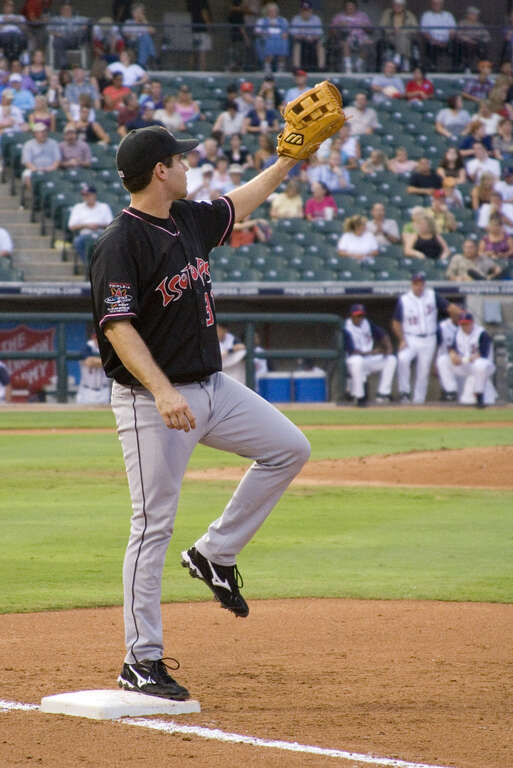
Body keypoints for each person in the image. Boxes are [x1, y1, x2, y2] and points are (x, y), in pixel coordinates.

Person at [89, 125, 310, 701]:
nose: (188, 165)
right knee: (151, 525)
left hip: (212, 388)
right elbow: (117, 327)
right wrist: (162, 391)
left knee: (289, 448)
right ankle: (140, 660)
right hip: (151, 403)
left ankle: (215, 553)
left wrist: (288, 160)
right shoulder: (120, 241)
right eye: (180, 159)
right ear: (159, 171)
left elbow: (240, 201)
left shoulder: (187, 218)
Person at [392, 272, 461, 404]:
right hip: (410, 337)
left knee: (423, 371)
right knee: (403, 359)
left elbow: (449, 307)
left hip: (429, 338)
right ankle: (404, 393)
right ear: (412, 285)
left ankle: (419, 400)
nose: (418, 286)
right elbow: (396, 322)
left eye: (421, 284)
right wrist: (401, 339)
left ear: (424, 284)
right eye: (416, 284)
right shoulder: (404, 299)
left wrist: (461, 312)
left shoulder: (432, 295)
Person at [436, 312, 496, 408]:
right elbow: (452, 348)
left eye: (467, 323)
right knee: (443, 360)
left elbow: (482, 354)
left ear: (472, 323)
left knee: (479, 365)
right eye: (462, 324)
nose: (464, 326)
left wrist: (463, 360)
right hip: (467, 365)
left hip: (485, 366)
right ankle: (451, 391)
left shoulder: (482, 333)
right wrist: (453, 356)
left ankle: (479, 395)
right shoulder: (459, 332)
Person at [344, 303, 397, 406]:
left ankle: (383, 394)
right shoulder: (346, 327)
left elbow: (383, 334)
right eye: (357, 315)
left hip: (368, 360)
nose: (360, 318)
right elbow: (352, 351)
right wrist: (373, 352)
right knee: (357, 361)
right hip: (352, 362)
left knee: (391, 359)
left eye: (361, 315)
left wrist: (388, 347)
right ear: (352, 316)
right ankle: (359, 397)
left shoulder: (366, 323)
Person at [68, 184, 113, 265]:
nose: (86, 197)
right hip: (85, 234)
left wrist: (98, 225)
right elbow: (71, 226)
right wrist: (86, 225)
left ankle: (104, 265)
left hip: (101, 233)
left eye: (88, 195)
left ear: (94, 195)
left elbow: (111, 224)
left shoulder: (104, 206)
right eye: (84, 195)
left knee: (111, 241)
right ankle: (88, 266)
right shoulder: (78, 207)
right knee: (77, 241)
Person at [329, 0, 372, 74]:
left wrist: (364, 26)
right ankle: (348, 67)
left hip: (360, 38)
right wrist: (338, 26)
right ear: (345, 7)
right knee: (345, 43)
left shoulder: (362, 15)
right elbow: (330, 31)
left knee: (368, 43)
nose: (350, 8)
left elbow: (370, 29)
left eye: (352, 6)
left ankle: (358, 65)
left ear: (355, 7)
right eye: (348, 6)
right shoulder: (339, 17)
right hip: (346, 38)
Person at [378, 0, 419, 72]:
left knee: (402, 36)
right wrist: (392, 31)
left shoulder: (410, 15)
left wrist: (403, 31)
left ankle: (398, 56)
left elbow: (415, 28)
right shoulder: (387, 13)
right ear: (393, 5)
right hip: (391, 37)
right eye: (396, 5)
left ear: (403, 6)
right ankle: (405, 60)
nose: (397, 7)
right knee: (402, 38)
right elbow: (382, 26)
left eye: (400, 5)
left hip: (406, 38)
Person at [48, 2, 89, 70]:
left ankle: (82, 66)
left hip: (75, 40)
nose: (67, 11)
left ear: (71, 10)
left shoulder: (77, 18)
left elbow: (90, 21)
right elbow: (48, 30)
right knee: (57, 40)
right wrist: (56, 34)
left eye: (69, 9)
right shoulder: (56, 19)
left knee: (79, 33)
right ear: (61, 10)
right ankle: (64, 65)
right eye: (65, 9)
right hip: (61, 40)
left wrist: (84, 27)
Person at [21, 122, 60, 192]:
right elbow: (27, 162)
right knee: (27, 175)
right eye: (41, 132)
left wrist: (52, 167)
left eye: (45, 131)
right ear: (35, 134)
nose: (44, 134)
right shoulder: (28, 144)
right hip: (34, 169)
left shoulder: (53, 143)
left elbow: (57, 160)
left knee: (59, 175)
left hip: (50, 168)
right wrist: (37, 169)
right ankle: (34, 195)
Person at [76, 331, 112, 405]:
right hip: (87, 391)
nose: (98, 340)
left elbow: (113, 362)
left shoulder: (109, 348)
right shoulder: (87, 348)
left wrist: (97, 362)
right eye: (96, 338)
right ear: (93, 338)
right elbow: (89, 362)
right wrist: (107, 362)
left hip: (104, 391)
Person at [420, 0, 456, 71]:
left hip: (447, 41)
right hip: (432, 41)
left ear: (442, 5)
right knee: (431, 47)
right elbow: (424, 32)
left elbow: (453, 31)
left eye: (438, 4)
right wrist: (435, 41)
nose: (436, 5)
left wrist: (447, 41)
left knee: (457, 46)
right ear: (431, 4)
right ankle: (433, 68)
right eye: (434, 4)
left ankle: (454, 69)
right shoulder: (426, 15)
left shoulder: (448, 15)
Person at [254, 3, 289, 74]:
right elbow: (257, 31)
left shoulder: (283, 20)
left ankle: (280, 68)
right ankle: (267, 67)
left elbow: (287, 30)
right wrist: (264, 33)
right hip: (267, 38)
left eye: (274, 11)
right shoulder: (261, 20)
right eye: (270, 11)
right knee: (269, 42)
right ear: (267, 12)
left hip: (280, 39)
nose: (273, 12)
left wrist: (285, 34)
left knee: (284, 41)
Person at [290, 1, 325, 72]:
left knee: (321, 45)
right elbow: (293, 34)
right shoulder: (296, 19)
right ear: (300, 11)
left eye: (307, 10)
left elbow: (319, 34)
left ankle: (321, 68)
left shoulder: (316, 19)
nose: (306, 13)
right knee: (297, 45)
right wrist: (303, 37)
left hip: (313, 41)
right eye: (304, 10)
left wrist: (312, 38)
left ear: (311, 11)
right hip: (301, 41)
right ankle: (297, 68)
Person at [122, 2, 156, 68]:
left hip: (143, 43)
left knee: (145, 37)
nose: (141, 14)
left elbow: (153, 31)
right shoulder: (129, 22)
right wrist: (137, 35)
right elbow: (126, 34)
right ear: (133, 13)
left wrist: (144, 21)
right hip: (133, 41)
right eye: (139, 12)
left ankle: (141, 62)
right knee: (145, 37)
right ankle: (152, 55)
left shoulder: (144, 23)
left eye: (142, 12)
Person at [187, 0, 212, 71]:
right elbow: (205, 14)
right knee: (202, 52)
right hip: (202, 31)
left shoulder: (192, 2)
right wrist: (209, 27)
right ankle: (202, 70)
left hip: (195, 30)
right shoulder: (203, 2)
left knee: (194, 52)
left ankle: (190, 70)